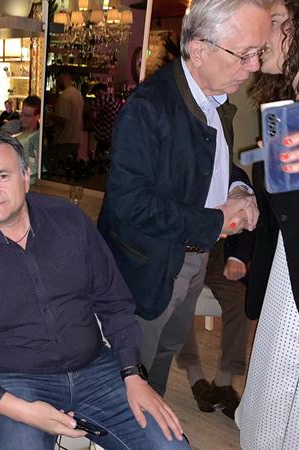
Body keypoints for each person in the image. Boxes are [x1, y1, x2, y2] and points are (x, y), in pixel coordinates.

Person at [0, 131, 188, 450]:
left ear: (25, 177)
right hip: (17, 382)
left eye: (2, 176)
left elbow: (114, 302)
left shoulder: (70, 220)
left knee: (172, 447)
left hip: (97, 370)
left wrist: (133, 373)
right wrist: (16, 408)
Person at [97, 0, 267, 397]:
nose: (255, 66)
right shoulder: (149, 107)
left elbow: (215, 166)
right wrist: (216, 221)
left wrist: (239, 189)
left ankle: (151, 417)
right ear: (199, 49)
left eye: (258, 53)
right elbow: (129, 201)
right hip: (149, 266)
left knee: (165, 351)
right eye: (245, 54)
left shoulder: (215, 100)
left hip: (194, 257)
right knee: (131, 372)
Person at [237, 0, 299, 447]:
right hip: (283, 273)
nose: (262, 34)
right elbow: (281, 201)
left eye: (275, 21)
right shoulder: (285, 111)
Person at [176, 230, 253, 419]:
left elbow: (250, 226)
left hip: (220, 255)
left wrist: (238, 257)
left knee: (240, 303)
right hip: (182, 255)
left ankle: (223, 382)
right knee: (179, 301)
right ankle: (196, 378)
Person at [46, 70, 84, 172]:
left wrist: (48, 116)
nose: (57, 83)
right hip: (76, 139)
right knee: (70, 170)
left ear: (63, 77)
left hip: (65, 139)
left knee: (59, 171)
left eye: (57, 80)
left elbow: (62, 119)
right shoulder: (78, 94)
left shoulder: (65, 96)